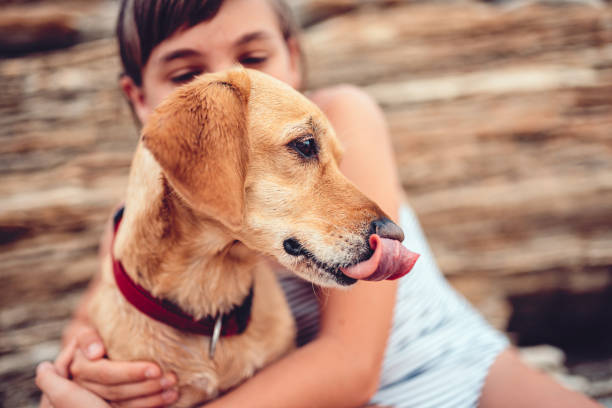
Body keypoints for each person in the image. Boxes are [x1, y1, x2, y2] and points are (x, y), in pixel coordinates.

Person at [36, 1, 602, 407]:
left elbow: (350, 370)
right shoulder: (147, 204)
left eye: (252, 59)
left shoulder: (339, 119)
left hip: (467, 383)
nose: (225, 93)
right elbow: (96, 312)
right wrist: (84, 366)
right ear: (138, 99)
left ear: (295, 60)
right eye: (188, 75)